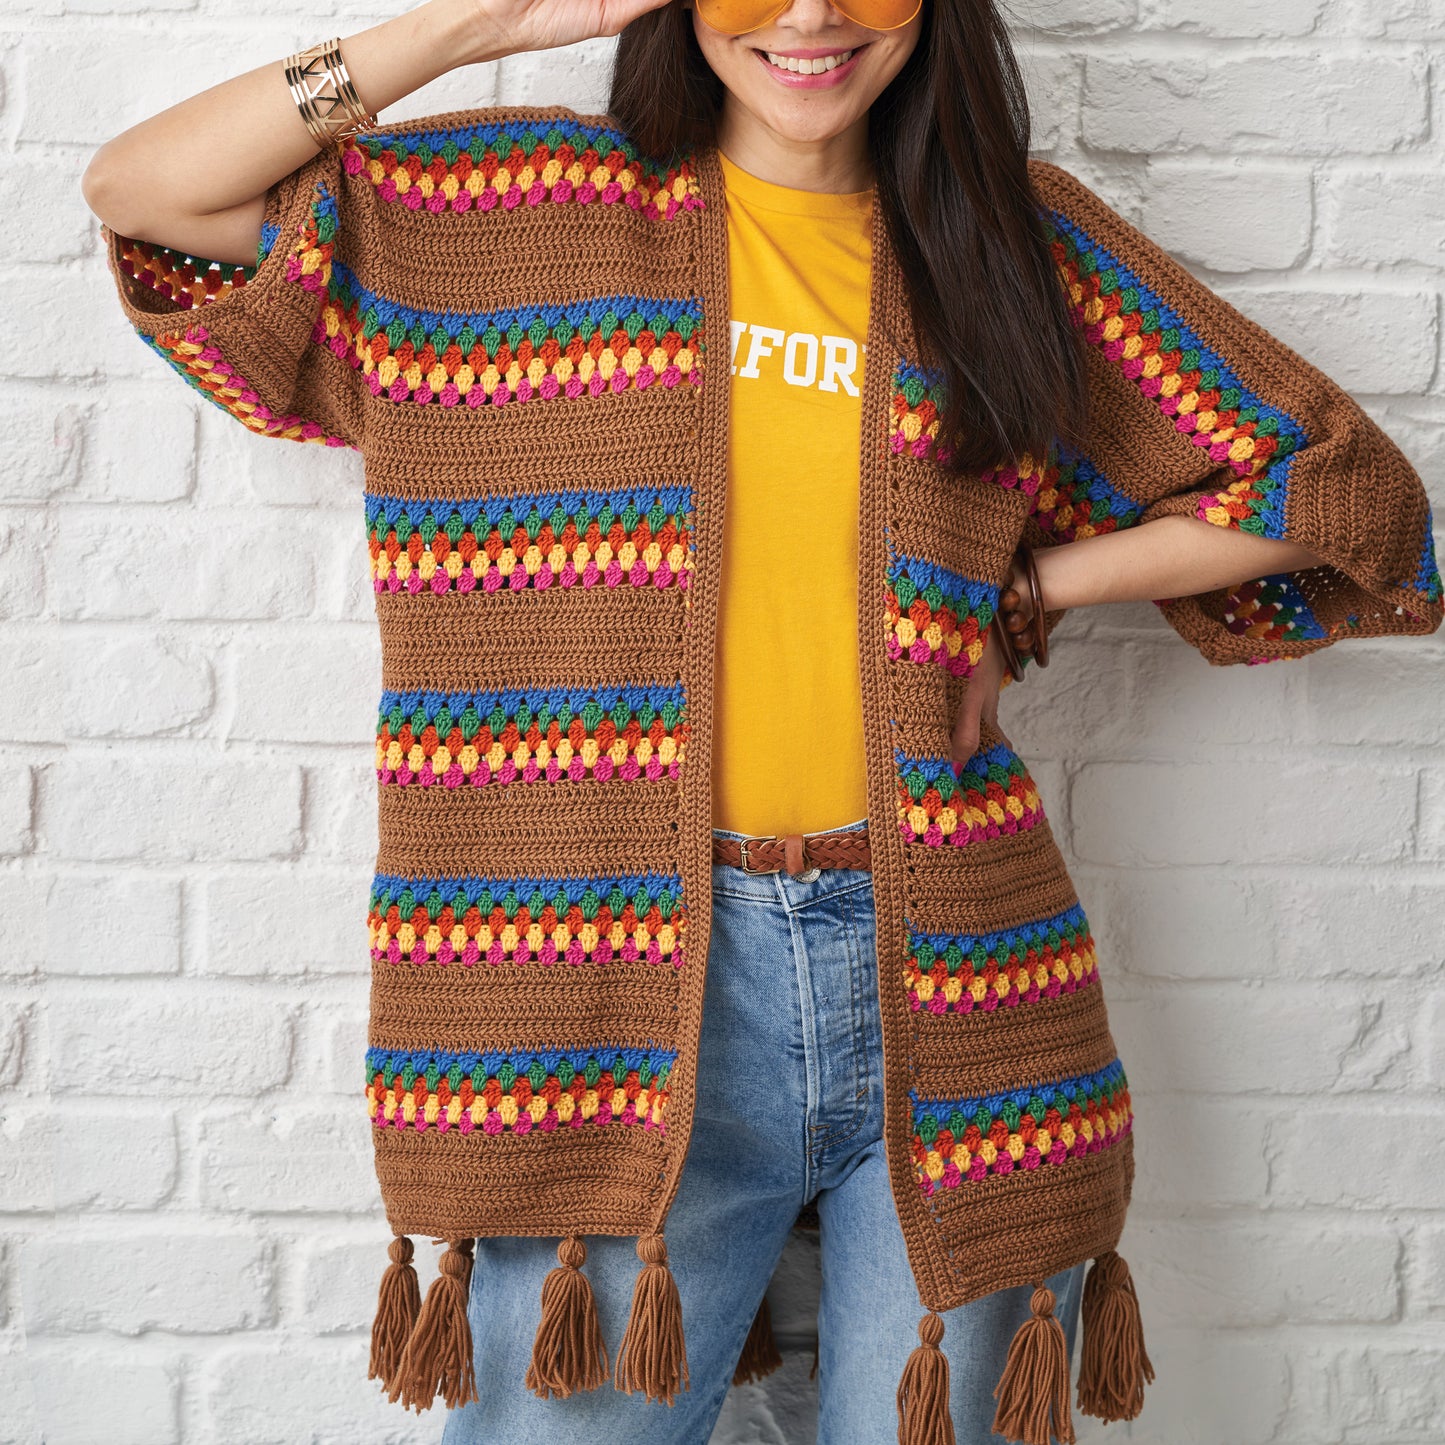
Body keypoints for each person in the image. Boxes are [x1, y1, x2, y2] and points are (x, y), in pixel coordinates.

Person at [81, 2, 1443, 1442]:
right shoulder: (501, 219)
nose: (808, 15)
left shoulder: (1010, 246)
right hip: (592, 983)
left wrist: (1031, 586)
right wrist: (497, 21)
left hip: (958, 979)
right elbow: (145, 193)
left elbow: (1340, 494)